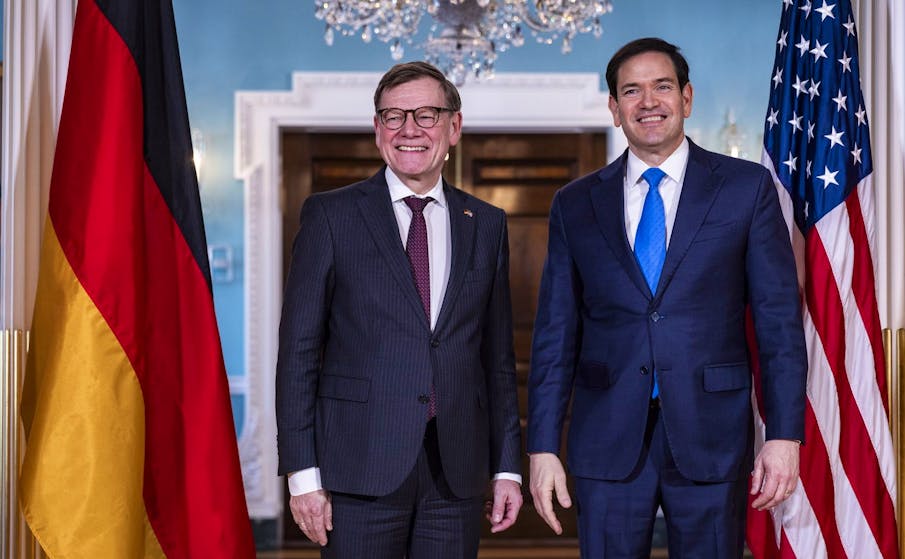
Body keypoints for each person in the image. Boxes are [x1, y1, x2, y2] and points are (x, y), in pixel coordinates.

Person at [526, 37, 808, 558]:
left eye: (662, 87)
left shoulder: (745, 188)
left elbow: (779, 324)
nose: (648, 102)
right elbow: (555, 335)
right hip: (605, 437)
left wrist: (784, 435)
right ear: (614, 109)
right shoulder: (575, 203)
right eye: (631, 91)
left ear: (686, 98)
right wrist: (542, 446)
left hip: (713, 434)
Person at [275, 61, 523, 558]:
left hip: (456, 472)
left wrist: (507, 467)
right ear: (377, 129)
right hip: (357, 467)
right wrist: (302, 475)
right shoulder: (331, 215)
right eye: (394, 116)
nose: (409, 129)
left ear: (454, 126)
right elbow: (298, 353)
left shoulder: (487, 223)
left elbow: (496, 360)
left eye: (426, 115)